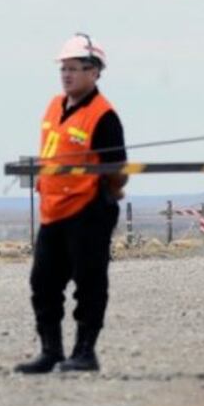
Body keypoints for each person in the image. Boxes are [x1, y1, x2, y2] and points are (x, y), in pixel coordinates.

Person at [15, 33, 127, 374]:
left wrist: (105, 194)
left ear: (94, 73)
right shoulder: (54, 107)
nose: (67, 75)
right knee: (43, 283)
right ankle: (51, 351)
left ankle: (85, 352)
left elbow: (118, 170)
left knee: (89, 283)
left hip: (88, 210)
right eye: (64, 68)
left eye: (75, 68)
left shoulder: (103, 115)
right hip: (52, 211)